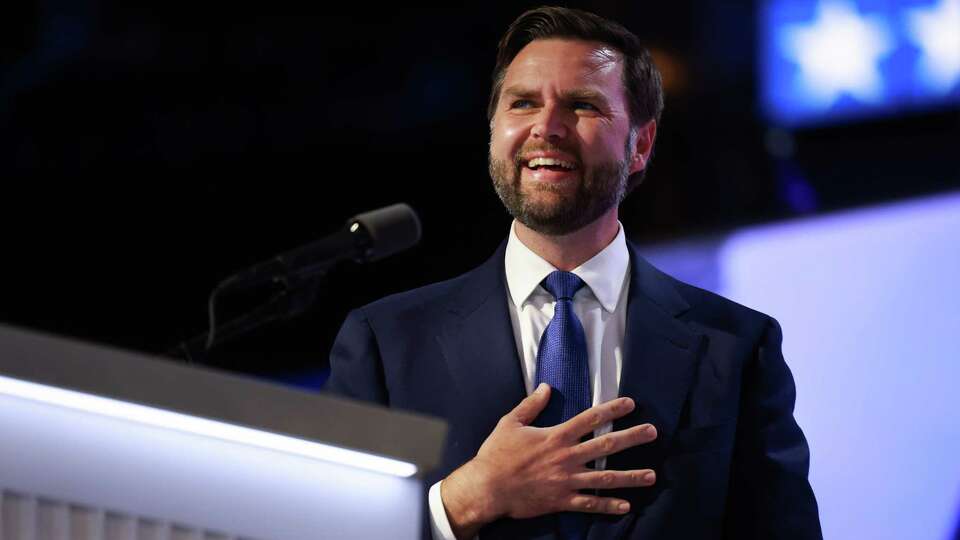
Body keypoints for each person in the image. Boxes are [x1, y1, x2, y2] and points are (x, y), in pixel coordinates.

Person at [325, 6, 822, 540]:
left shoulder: (737, 347)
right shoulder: (385, 344)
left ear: (642, 145)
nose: (546, 127)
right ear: (494, 129)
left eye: (582, 105)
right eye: (523, 103)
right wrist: (466, 498)